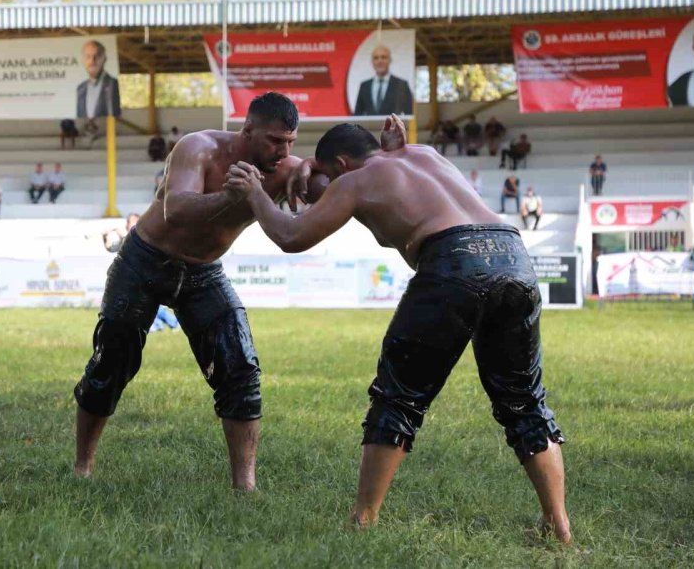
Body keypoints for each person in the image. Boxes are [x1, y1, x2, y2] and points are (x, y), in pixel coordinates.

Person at [225, 121, 569, 542]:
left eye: (331, 176)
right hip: (514, 256)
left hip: (452, 261)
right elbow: (377, 165)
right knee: (524, 401)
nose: (331, 186)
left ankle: (363, 520)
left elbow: (291, 236)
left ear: (342, 165)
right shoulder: (424, 154)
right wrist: (321, 162)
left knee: (399, 398)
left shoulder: (356, 180)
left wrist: (255, 194)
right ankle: (558, 523)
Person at [73, 92, 355, 491]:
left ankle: (245, 486)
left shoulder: (286, 168)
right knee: (110, 363)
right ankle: (83, 466)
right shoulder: (199, 147)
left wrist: (311, 166)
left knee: (239, 367)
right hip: (145, 259)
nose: (284, 151)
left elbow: (332, 187)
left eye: (291, 142)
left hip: (204, 270)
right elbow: (177, 209)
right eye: (275, 141)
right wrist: (231, 196)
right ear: (248, 130)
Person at [353, 45, 414, 116]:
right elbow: (357, 115)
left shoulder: (402, 85)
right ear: (372, 62)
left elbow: (410, 114)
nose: (380, 61)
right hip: (370, 127)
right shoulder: (364, 86)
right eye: (376, 58)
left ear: (390, 60)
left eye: (383, 57)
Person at [76, 39, 122, 119]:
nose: (92, 61)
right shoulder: (80, 89)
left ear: (104, 59)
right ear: (83, 60)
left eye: (96, 56)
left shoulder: (113, 84)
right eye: (88, 56)